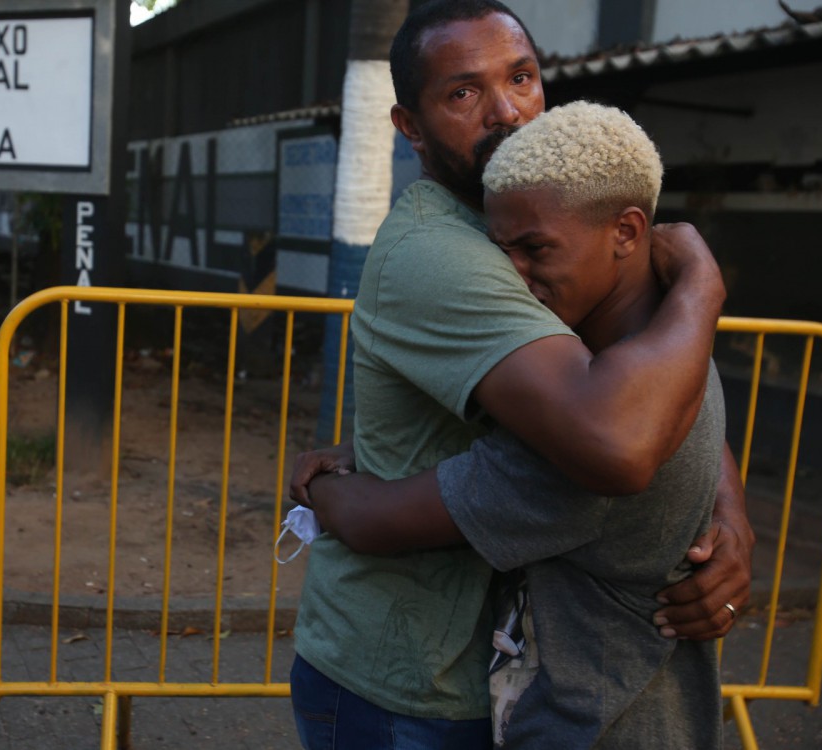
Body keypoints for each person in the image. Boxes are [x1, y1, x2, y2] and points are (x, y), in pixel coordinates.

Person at [287, 2, 753, 748]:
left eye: (523, 77)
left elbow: (664, 372)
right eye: (463, 93)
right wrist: (701, 276)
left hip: (512, 672)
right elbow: (620, 435)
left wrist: (724, 515)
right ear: (411, 127)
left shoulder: (551, 220)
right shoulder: (452, 255)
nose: (508, 112)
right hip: (409, 687)